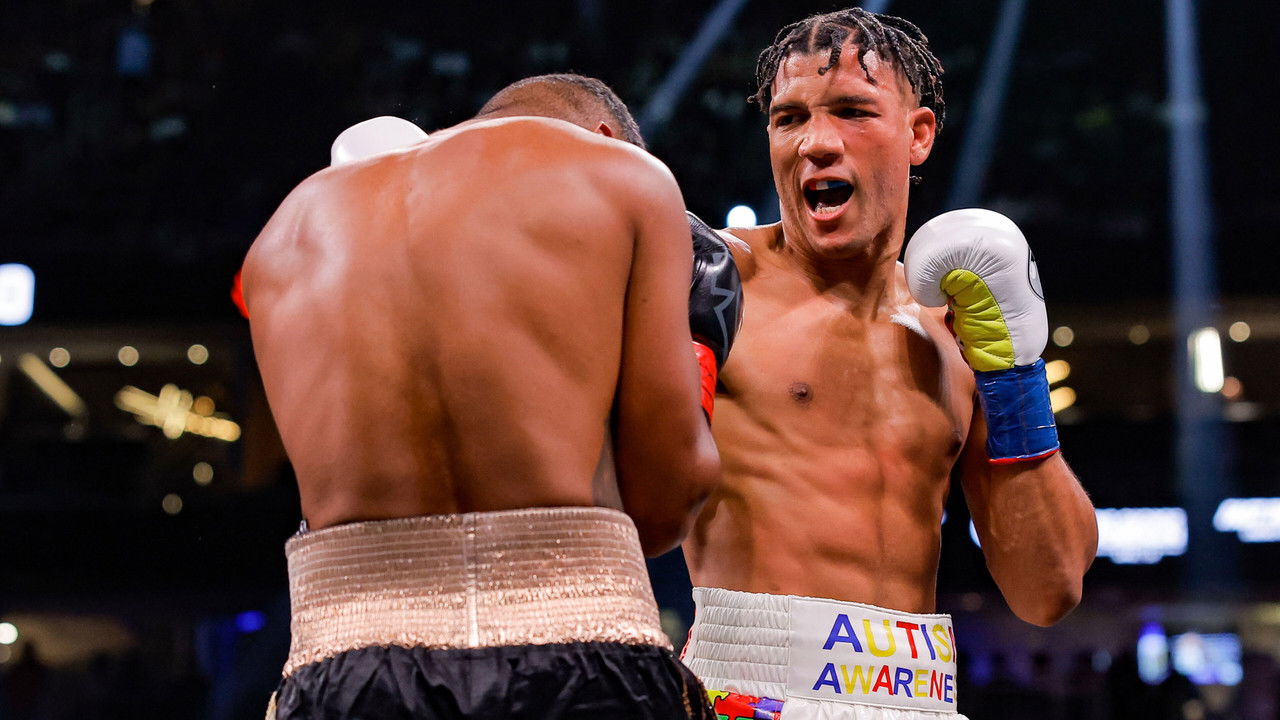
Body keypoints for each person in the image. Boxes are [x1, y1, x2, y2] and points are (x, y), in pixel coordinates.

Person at [242, 73, 736, 719]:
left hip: (345, 671)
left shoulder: (285, 231)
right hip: (574, 652)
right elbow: (664, 505)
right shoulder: (622, 177)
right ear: (606, 137)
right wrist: (698, 353)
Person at [678, 9, 1098, 720]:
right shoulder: (713, 286)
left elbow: (1048, 589)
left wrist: (1014, 377)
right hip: (747, 688)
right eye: (788, 119)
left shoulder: (955, 331)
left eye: (851, 111)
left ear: (918, 134)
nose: (815, 142)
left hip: (918, 697)